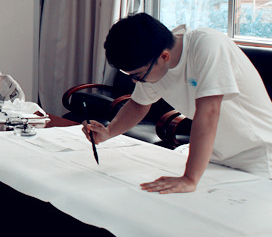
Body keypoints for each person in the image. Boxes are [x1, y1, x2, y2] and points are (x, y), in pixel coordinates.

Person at [84, 12, 272, 194]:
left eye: (138, 75)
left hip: (258, 156)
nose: (135, 81)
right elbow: (138, 105)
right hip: (214, 155)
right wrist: (109, 132)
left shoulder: (207, 45)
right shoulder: (153, 61)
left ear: (164, 57)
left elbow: (208, 113)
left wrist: (190, 179)